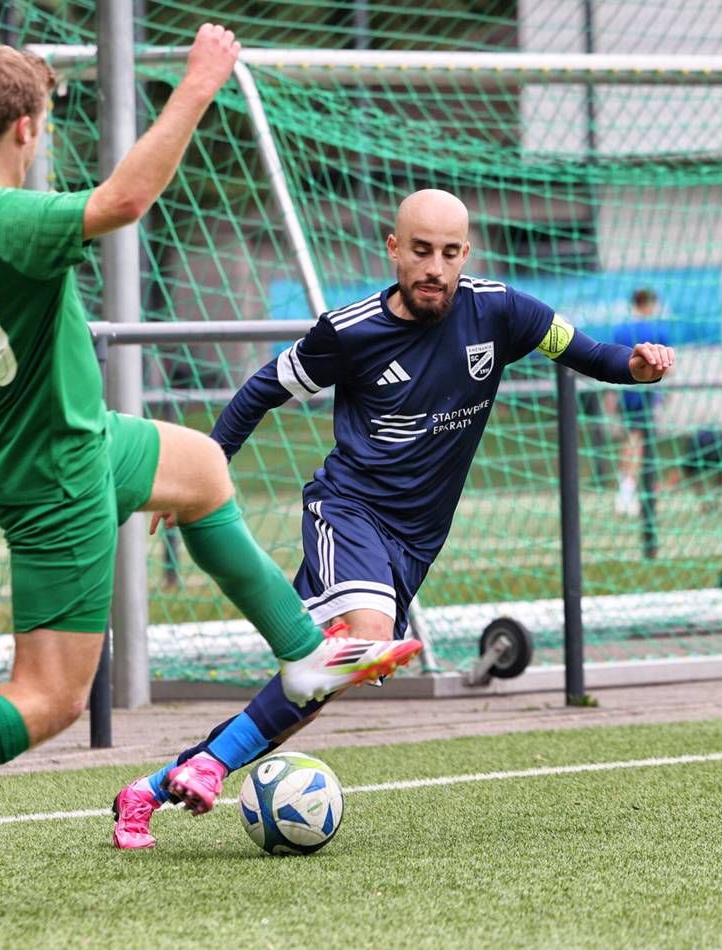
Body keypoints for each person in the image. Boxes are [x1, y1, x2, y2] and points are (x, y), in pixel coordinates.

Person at [112, 188, 675, 848]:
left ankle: (151, 790)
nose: (434, 266)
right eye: (420, 250)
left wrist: (637, 367)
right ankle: (207, 766)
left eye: (448, 253)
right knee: (363, 641)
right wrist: (202, 473)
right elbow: (263, 388)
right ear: (393, 249)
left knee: (324, 678)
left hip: (414, 542)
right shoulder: (349, 332)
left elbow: (591, 353)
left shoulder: (503, 312)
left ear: (465, 254)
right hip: (347, 509)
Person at [0, 27, 420, 801]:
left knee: (200, 469)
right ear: (25, 129)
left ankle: (304, 652)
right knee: (51, 697)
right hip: (58, 472)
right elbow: (125, 200)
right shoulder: (8, 222)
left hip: (59, 441)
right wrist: (200, 81)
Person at [612, 288, 670, 517]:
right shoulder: (656, 330)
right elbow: (667, 366)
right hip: (644, 393)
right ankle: (628, 492)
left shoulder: (621, 330)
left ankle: (624, 489)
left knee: (629, 440)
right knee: (638, 443)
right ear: (647, 304)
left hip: (626, 392)